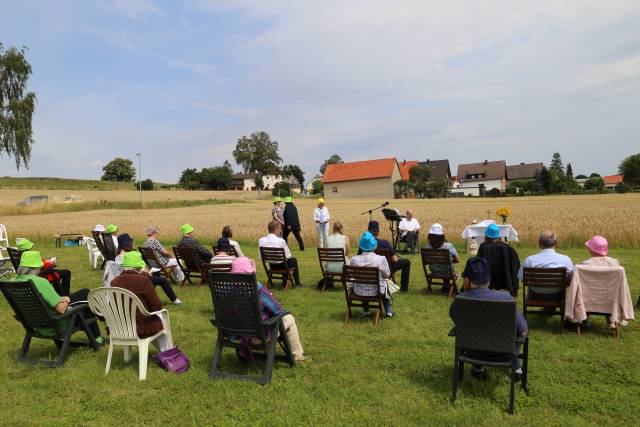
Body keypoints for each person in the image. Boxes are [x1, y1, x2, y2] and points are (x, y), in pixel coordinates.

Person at [450, 257, 528, 380]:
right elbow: (523, 329)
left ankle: (478, 368)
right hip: (505, 353)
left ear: (467, 280)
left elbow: (458, 321)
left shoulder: (459, 301)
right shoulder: (506, 299)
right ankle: (517, 368)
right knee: (520, 332)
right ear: (488, 280)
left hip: (472, 351)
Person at [13, 250, 102, 343]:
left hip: (34, 324)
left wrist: (60, 299)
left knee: (84, 295)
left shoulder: (14, 282)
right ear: (37, 267)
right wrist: (66, 300)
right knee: (86, 301)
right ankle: (101, 329)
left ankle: (100, 328)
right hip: (56, 324)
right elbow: (61, 309)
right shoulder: (40, 282)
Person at [230, 256, 307, 362]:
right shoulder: (258, 289)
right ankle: (298, 357)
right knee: (289, 318)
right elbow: (277, 310)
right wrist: (270, 298)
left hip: (235, 334)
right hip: (258, 335)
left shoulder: (226, 290)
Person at [110, 251, 172, 351]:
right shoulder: (143, 280)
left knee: (152, 317)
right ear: (139, 268)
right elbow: (157, 306)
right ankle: (166, 351)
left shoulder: (114, 282)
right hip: (140, 325)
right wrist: (147, 276)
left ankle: (164, 350)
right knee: (160, 316)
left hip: (121, 326)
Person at [115, 234, 182, 304]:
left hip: (124, 280)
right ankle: (175, 300)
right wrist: (149, 273)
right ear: (128, 244)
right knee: (163, 280)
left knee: (155, 276)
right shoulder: (132, 256)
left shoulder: (117, 257)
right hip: (137, 281)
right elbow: (143, 271)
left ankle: (148, 298)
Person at [518, 230, 573, 303]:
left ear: (539, 244)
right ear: (556, 243)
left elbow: (523, 279)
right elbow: (571, 279)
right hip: (557, 295)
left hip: (535, 295)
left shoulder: (529, 260)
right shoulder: (565, 260)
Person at [349, 231, 394, 317]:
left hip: (359, 291)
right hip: (376, 292)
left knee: (363, 281)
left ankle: (366, 311)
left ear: (361, 246)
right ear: (374, 245)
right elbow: (387, 275)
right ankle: (389, 311)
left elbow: (352, 275)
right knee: (385, 283)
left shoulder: (354, 260)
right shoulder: (381, 259)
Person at [359, 220, 411, 292]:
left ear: (368, 230)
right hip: (386, 269)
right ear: (377, 231)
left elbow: (359, 256)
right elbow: (394, 259)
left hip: (368, 269)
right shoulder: (385, 243)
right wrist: (396, 257)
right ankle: (404, 288)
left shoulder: (363, 243)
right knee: (406, 262)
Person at [477, 223, 521, 296]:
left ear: (487, 235)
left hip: (488, 279)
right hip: (505, 279)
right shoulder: (508, 248)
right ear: (498, 235)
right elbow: (516, 265)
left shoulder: (483, 247)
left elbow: (478, 263)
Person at [258, 221, 302, 288]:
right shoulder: (281, 241)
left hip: (271, 265)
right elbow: (288, 255)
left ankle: (285, 282)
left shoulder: (261, 240)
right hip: (282, 266)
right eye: (280, 229)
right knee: (292, 260)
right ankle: (297, 283)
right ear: (275, 229)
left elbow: (260, 257)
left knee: (286, 261)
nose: (281, 230)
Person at [424, 223, 460, 291]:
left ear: (430, 235)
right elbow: (457, 260)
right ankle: (448, 286)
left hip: (434, 271)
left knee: (442, 267)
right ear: (442, 235)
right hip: (448, 272)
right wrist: (449, 261)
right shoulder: (448, 246)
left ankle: (446, 286)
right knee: (446, 268)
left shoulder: (427, 247)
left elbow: (426, 261)